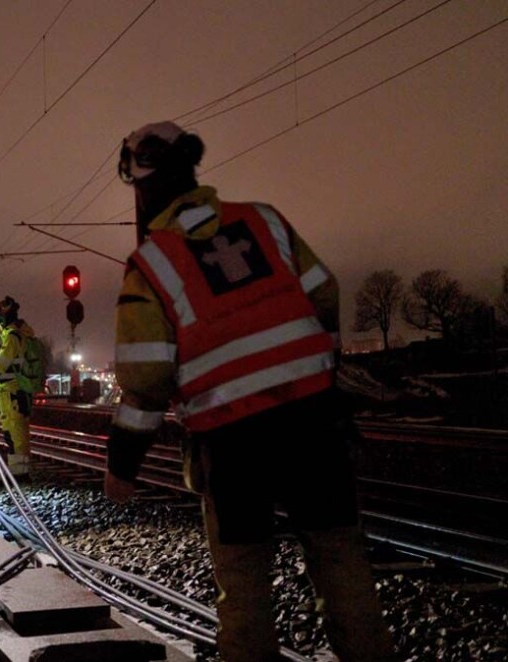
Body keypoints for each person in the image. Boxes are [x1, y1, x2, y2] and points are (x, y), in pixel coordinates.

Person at [104, 121, 395, 662]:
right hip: (314, 423)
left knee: (243, 582)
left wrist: (122, 466)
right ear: (191, 169)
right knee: (341, 561)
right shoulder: (263, 219)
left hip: (233, 441)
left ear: (142, 185)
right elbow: (323, 293)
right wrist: (320, 373)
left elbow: (146, 380)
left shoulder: (152, 264)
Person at [0, 296, 35, 481]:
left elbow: (3, 364)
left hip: (13, 392)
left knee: (15, 432)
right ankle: (16, 472)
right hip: (11, 391)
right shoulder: (17, 336)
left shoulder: (13, 337)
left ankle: (20, 473)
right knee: (12, 432)